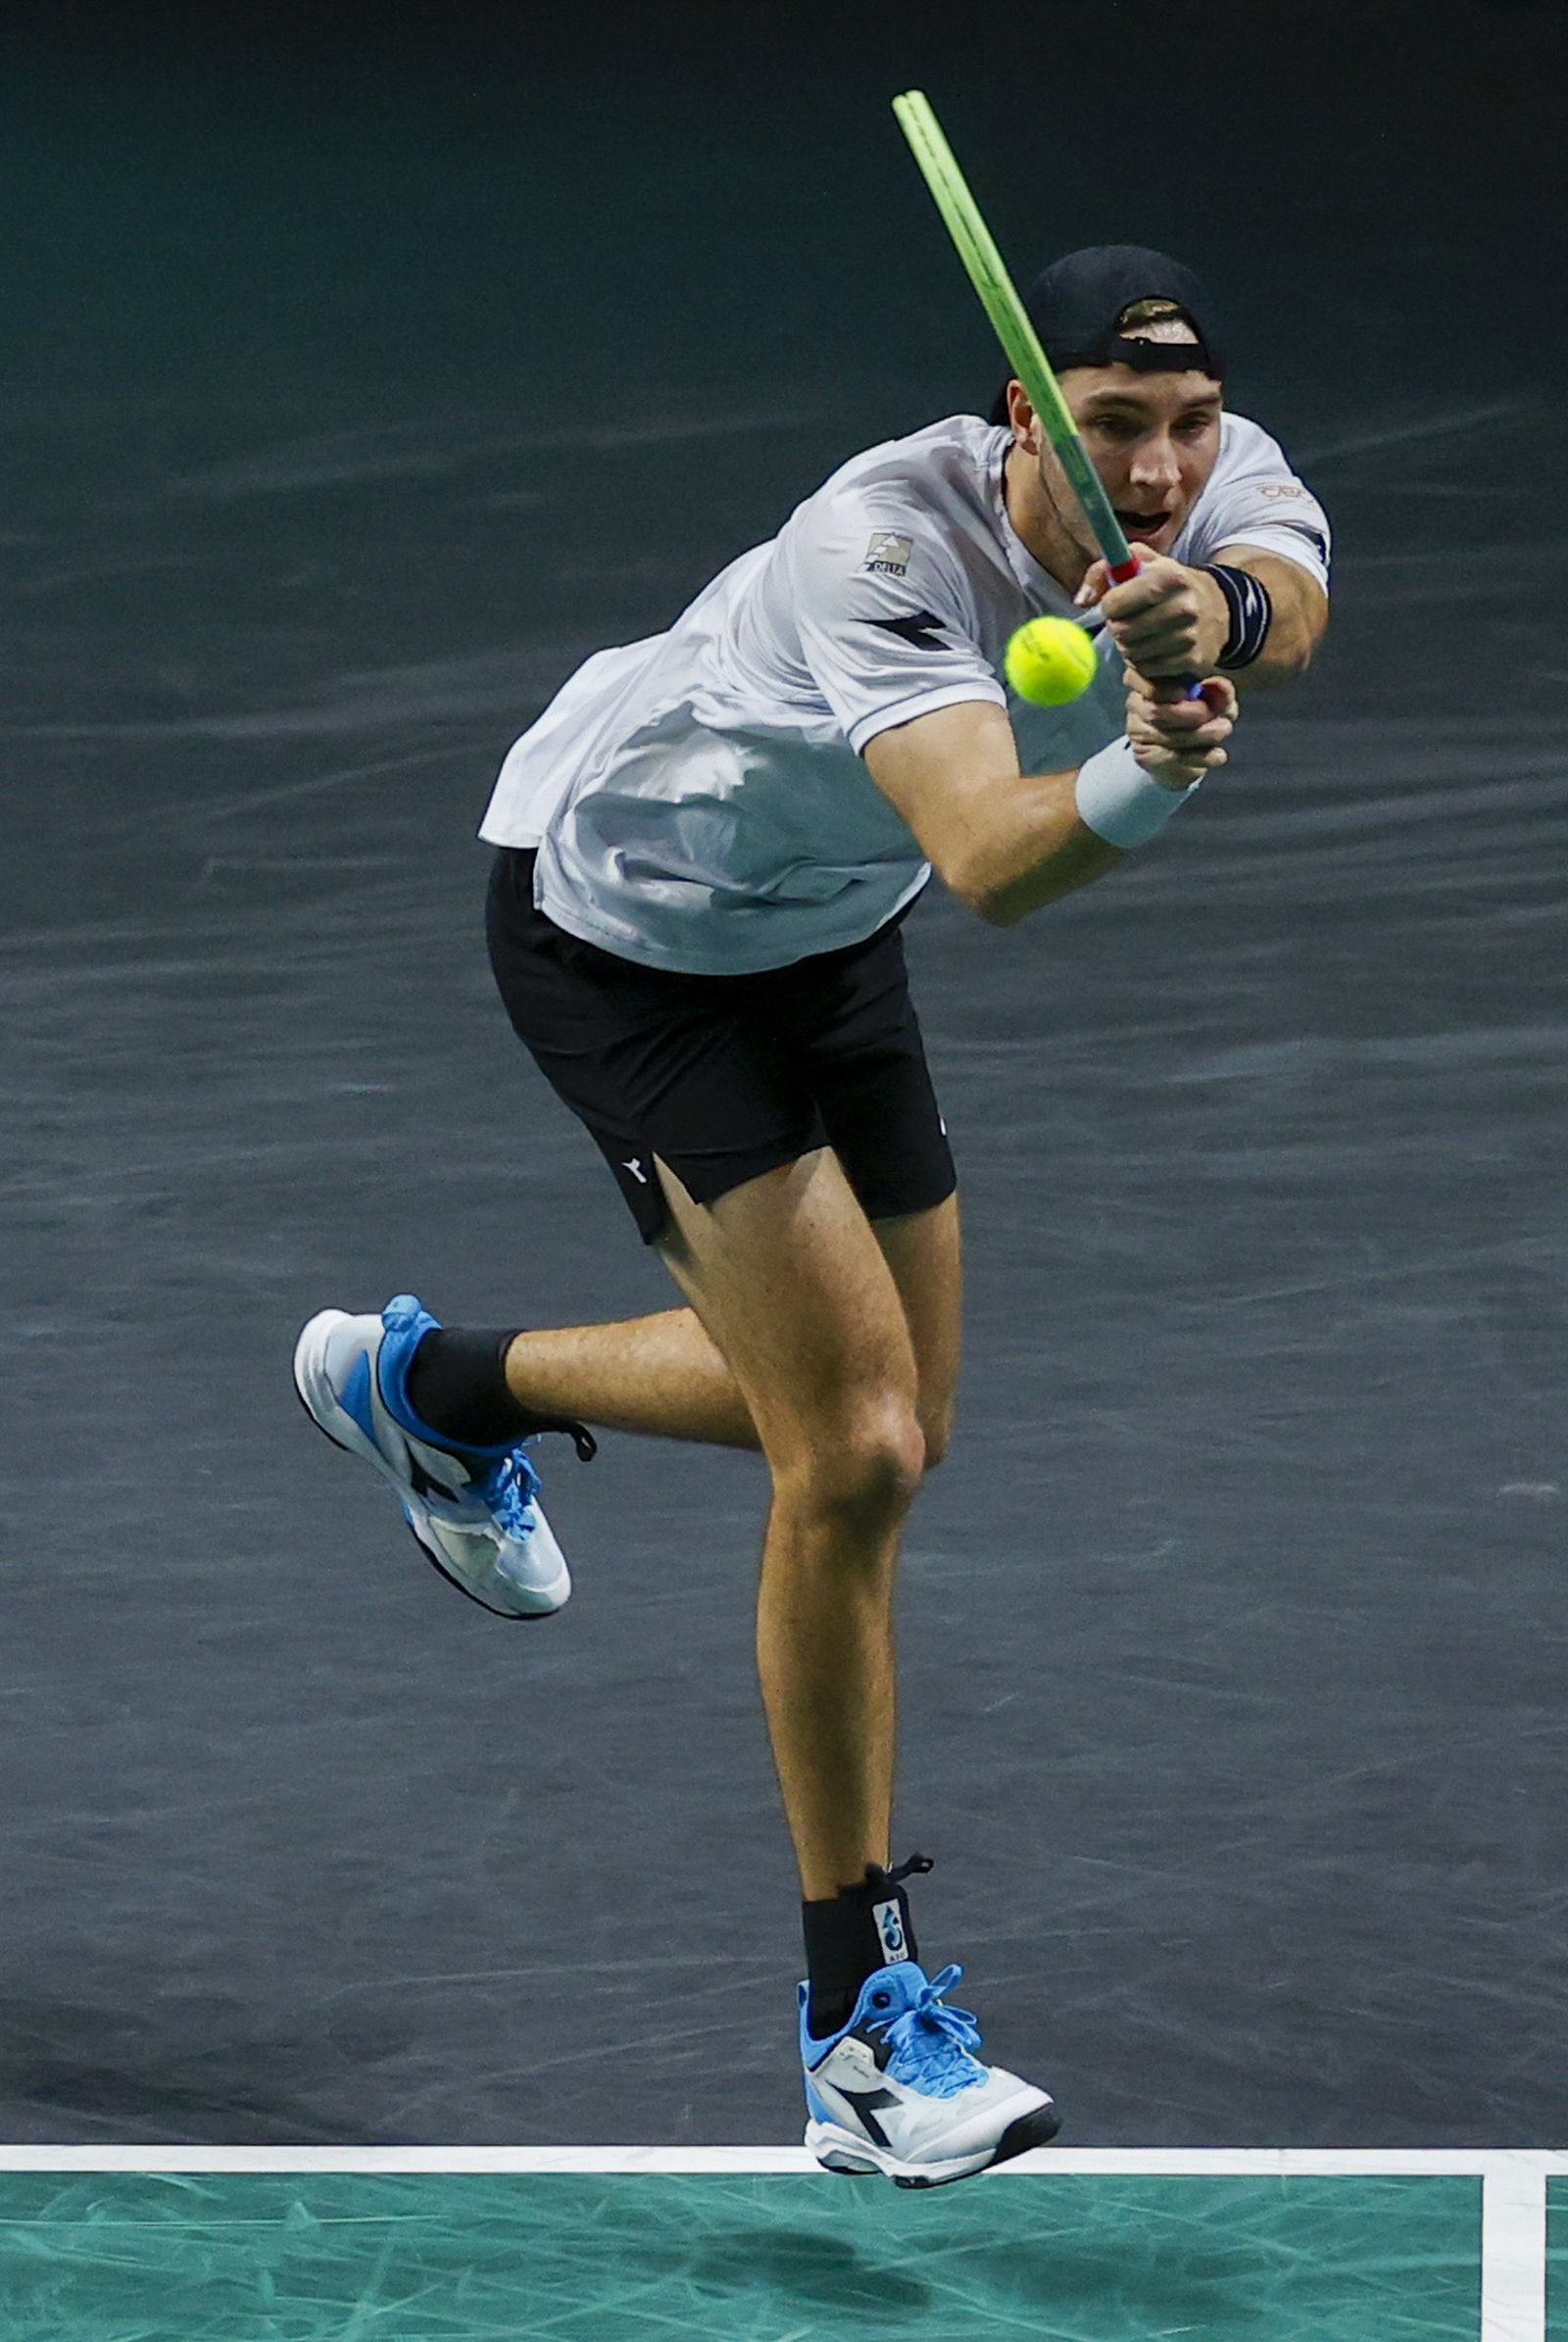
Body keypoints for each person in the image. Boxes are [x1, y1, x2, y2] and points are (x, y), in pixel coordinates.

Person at [294, 245, 1330, 2187]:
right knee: (845, 1449)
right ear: (1029, 422)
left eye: (1188, 427)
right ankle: (857, 2029)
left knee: (889, 1423)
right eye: (1117, 432)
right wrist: (1150, 762)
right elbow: (991, 860)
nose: (1166, 463)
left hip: (824, 934)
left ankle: (439, 1389)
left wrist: (1229, 605)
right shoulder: (881, 545)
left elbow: (1292, 594)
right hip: (625, 927)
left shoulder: (1215, 474)